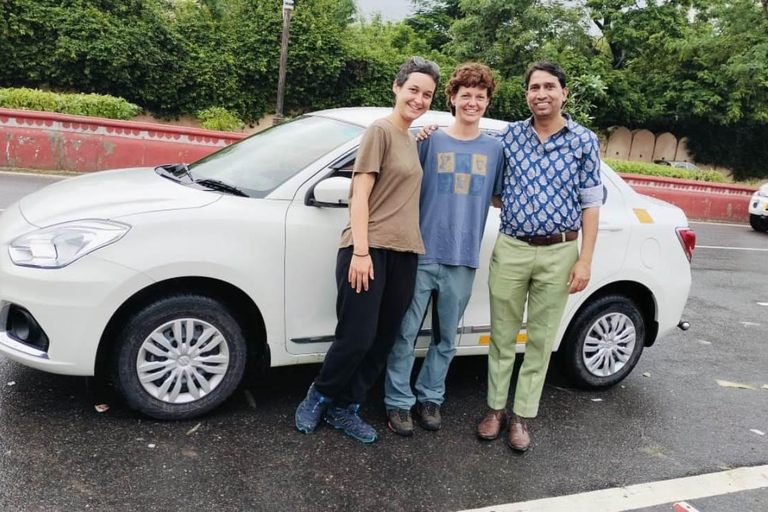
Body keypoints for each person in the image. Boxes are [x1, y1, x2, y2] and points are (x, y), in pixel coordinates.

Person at [294, 56, 440, 444]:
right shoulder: (379, 130)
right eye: (413, 90)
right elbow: (359, 192)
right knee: (356, 337)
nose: (419, 99)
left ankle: (347, 407)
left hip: (406, 252)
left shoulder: (409, 137)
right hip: (369, 248)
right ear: (396, 88)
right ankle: (320, 394)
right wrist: (361, 252)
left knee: (383, 339)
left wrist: (420, 135)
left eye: (427, 94)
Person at [476, 60, 602, 452]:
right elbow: (492, 188)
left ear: (564, 93)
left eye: (550, 86)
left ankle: (522, 416)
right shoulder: (510, 137)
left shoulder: (584, 141)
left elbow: (592, 204)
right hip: (512, 247)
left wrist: (585, 259)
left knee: (541, 339)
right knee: (501, 335)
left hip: (561, 252)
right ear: (526, 94)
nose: (541, 94)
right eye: (534, 87)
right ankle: (495, 410)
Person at [384, 62, 505, 436]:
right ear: (451, 99)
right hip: (420, 253)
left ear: (487, 103)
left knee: (445, 337)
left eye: (480, 97)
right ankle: (398, 402)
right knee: (404, 333)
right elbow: (400, 180)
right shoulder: (428, 139)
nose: (472, 102)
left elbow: (501, 198)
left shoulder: (496, 149)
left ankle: (430, 396)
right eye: (465, 95)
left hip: (463, 256)